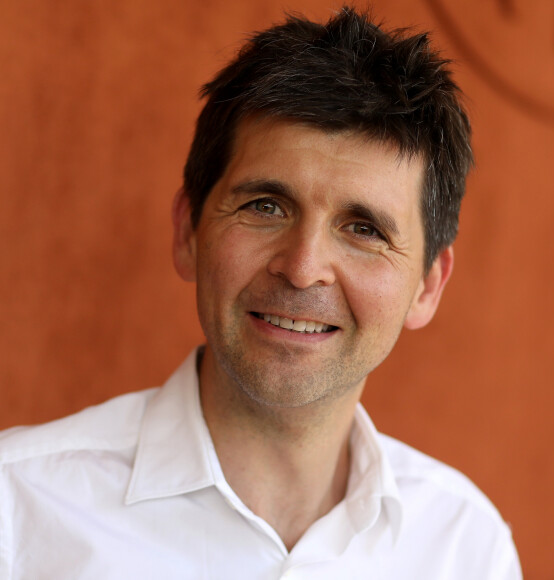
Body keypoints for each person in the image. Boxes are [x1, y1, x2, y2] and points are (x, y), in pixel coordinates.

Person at [0, 6, 522, 579]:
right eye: (265, 206)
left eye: (364, 229)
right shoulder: (18, 509)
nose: (302, 270)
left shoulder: (464, 547)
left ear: (426, 286)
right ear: (188, 232)